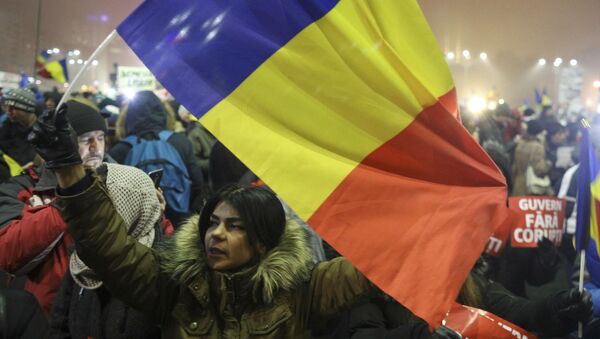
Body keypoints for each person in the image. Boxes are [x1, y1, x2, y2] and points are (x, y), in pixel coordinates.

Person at [29, 106, 376, 338]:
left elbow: (376, 266)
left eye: (234, 226)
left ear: (263, 242)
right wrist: (69, 169)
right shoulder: (174, 284)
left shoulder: (303, 287)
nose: (217, 234)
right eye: (213, 223)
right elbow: (109, 249)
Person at [0, 99, 111, 316]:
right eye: (85, 139)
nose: (95, 148)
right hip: (45, 315)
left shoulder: (119, 182)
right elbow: (6, 253)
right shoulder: (22, 188)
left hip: (102, 312)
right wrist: (71, 194)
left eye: (100, 138)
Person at [110, 90, 204, 225]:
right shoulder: (179, 142)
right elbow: (198, 184)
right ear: (162, 112)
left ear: (129, 115)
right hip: (179, 223)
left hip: (136, 227)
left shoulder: (121, 149)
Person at [511, 119, 552, 196]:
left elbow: (514, 167)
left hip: (518, 184)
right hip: (530, 187)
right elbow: (539, 169)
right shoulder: (537, 147)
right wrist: (548, 164)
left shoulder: (520, 144)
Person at [0, 88, 39, 167]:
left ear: (28, 109)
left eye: (13, 108)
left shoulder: (42, 132)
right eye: (7, 107)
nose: (8, 111)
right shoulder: (8, 125)